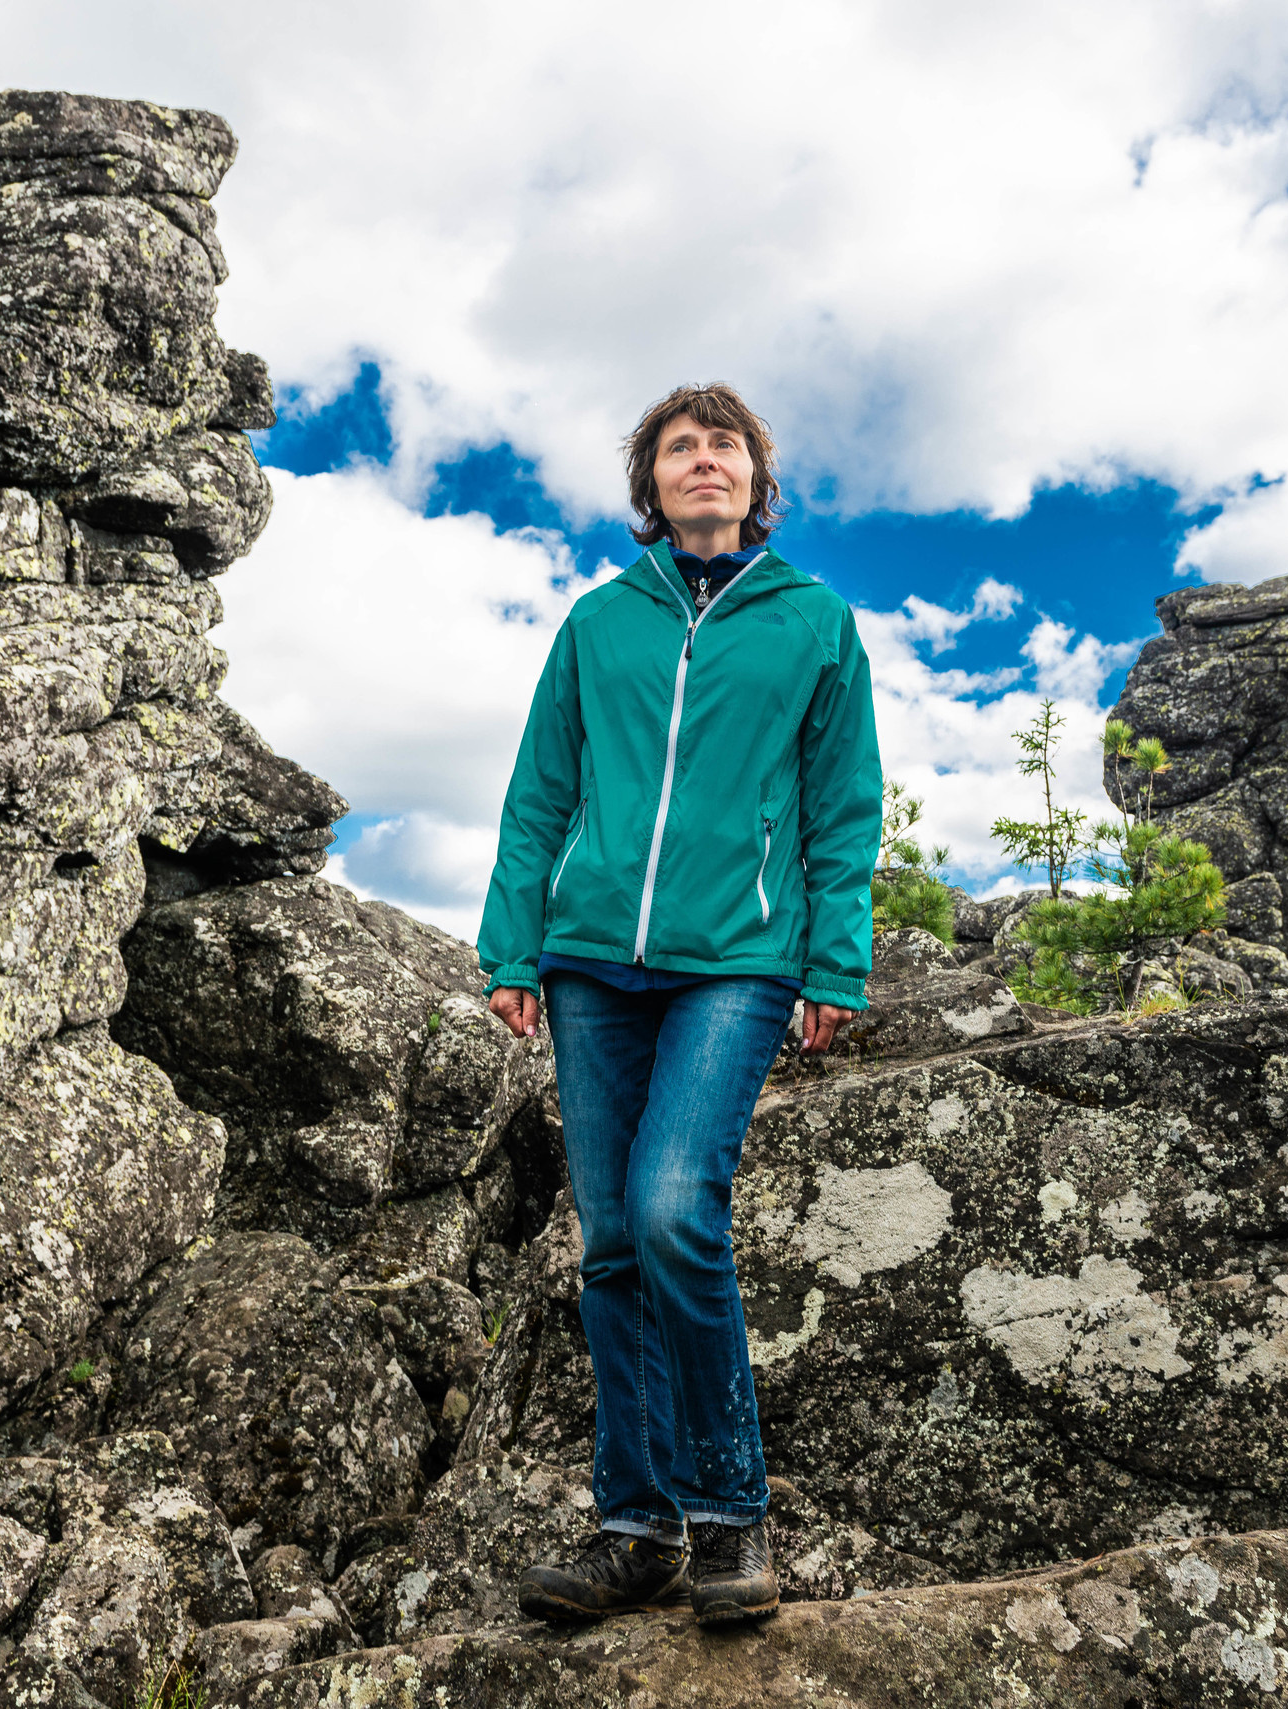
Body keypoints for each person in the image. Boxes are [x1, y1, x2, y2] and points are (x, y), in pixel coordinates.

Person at [476, 382, 882, 1626]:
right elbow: (541, 789)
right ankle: (635, 1528)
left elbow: (841, 802)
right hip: (594, 960)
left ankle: (729, 1513)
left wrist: (837, 960)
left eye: (726, 447)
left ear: (758, 483)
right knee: (607, 1244)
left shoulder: (815, 622)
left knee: (670, 1208)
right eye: (677, 448)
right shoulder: (599, 623)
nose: (702, 461)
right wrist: (511, 944)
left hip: (739, 960)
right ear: (648, 486)